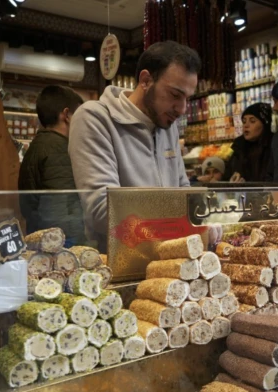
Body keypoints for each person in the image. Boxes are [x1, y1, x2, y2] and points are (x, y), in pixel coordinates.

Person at [69, 41, 200, 250]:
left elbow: (183, 190)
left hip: (169, 257)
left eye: (187, 99)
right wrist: (176, 217)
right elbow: (103, 212)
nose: (182, 109)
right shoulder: (95, 117)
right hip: (118, 264)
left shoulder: (167, 124)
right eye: (175, 95)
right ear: (146, 80)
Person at [18, 85, 87, 246]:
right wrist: (81, 244)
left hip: (40, 236)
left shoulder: (37, 145)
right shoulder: (59, 149)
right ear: (66, 115)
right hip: (59, 242)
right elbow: (61, 211)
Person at [225, 103, 273, 182]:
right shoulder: (239, 148)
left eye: (252, 121)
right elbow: (228, 175)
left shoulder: (274, 146)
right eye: (244, 121)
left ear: (264, 124)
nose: (246, 125)